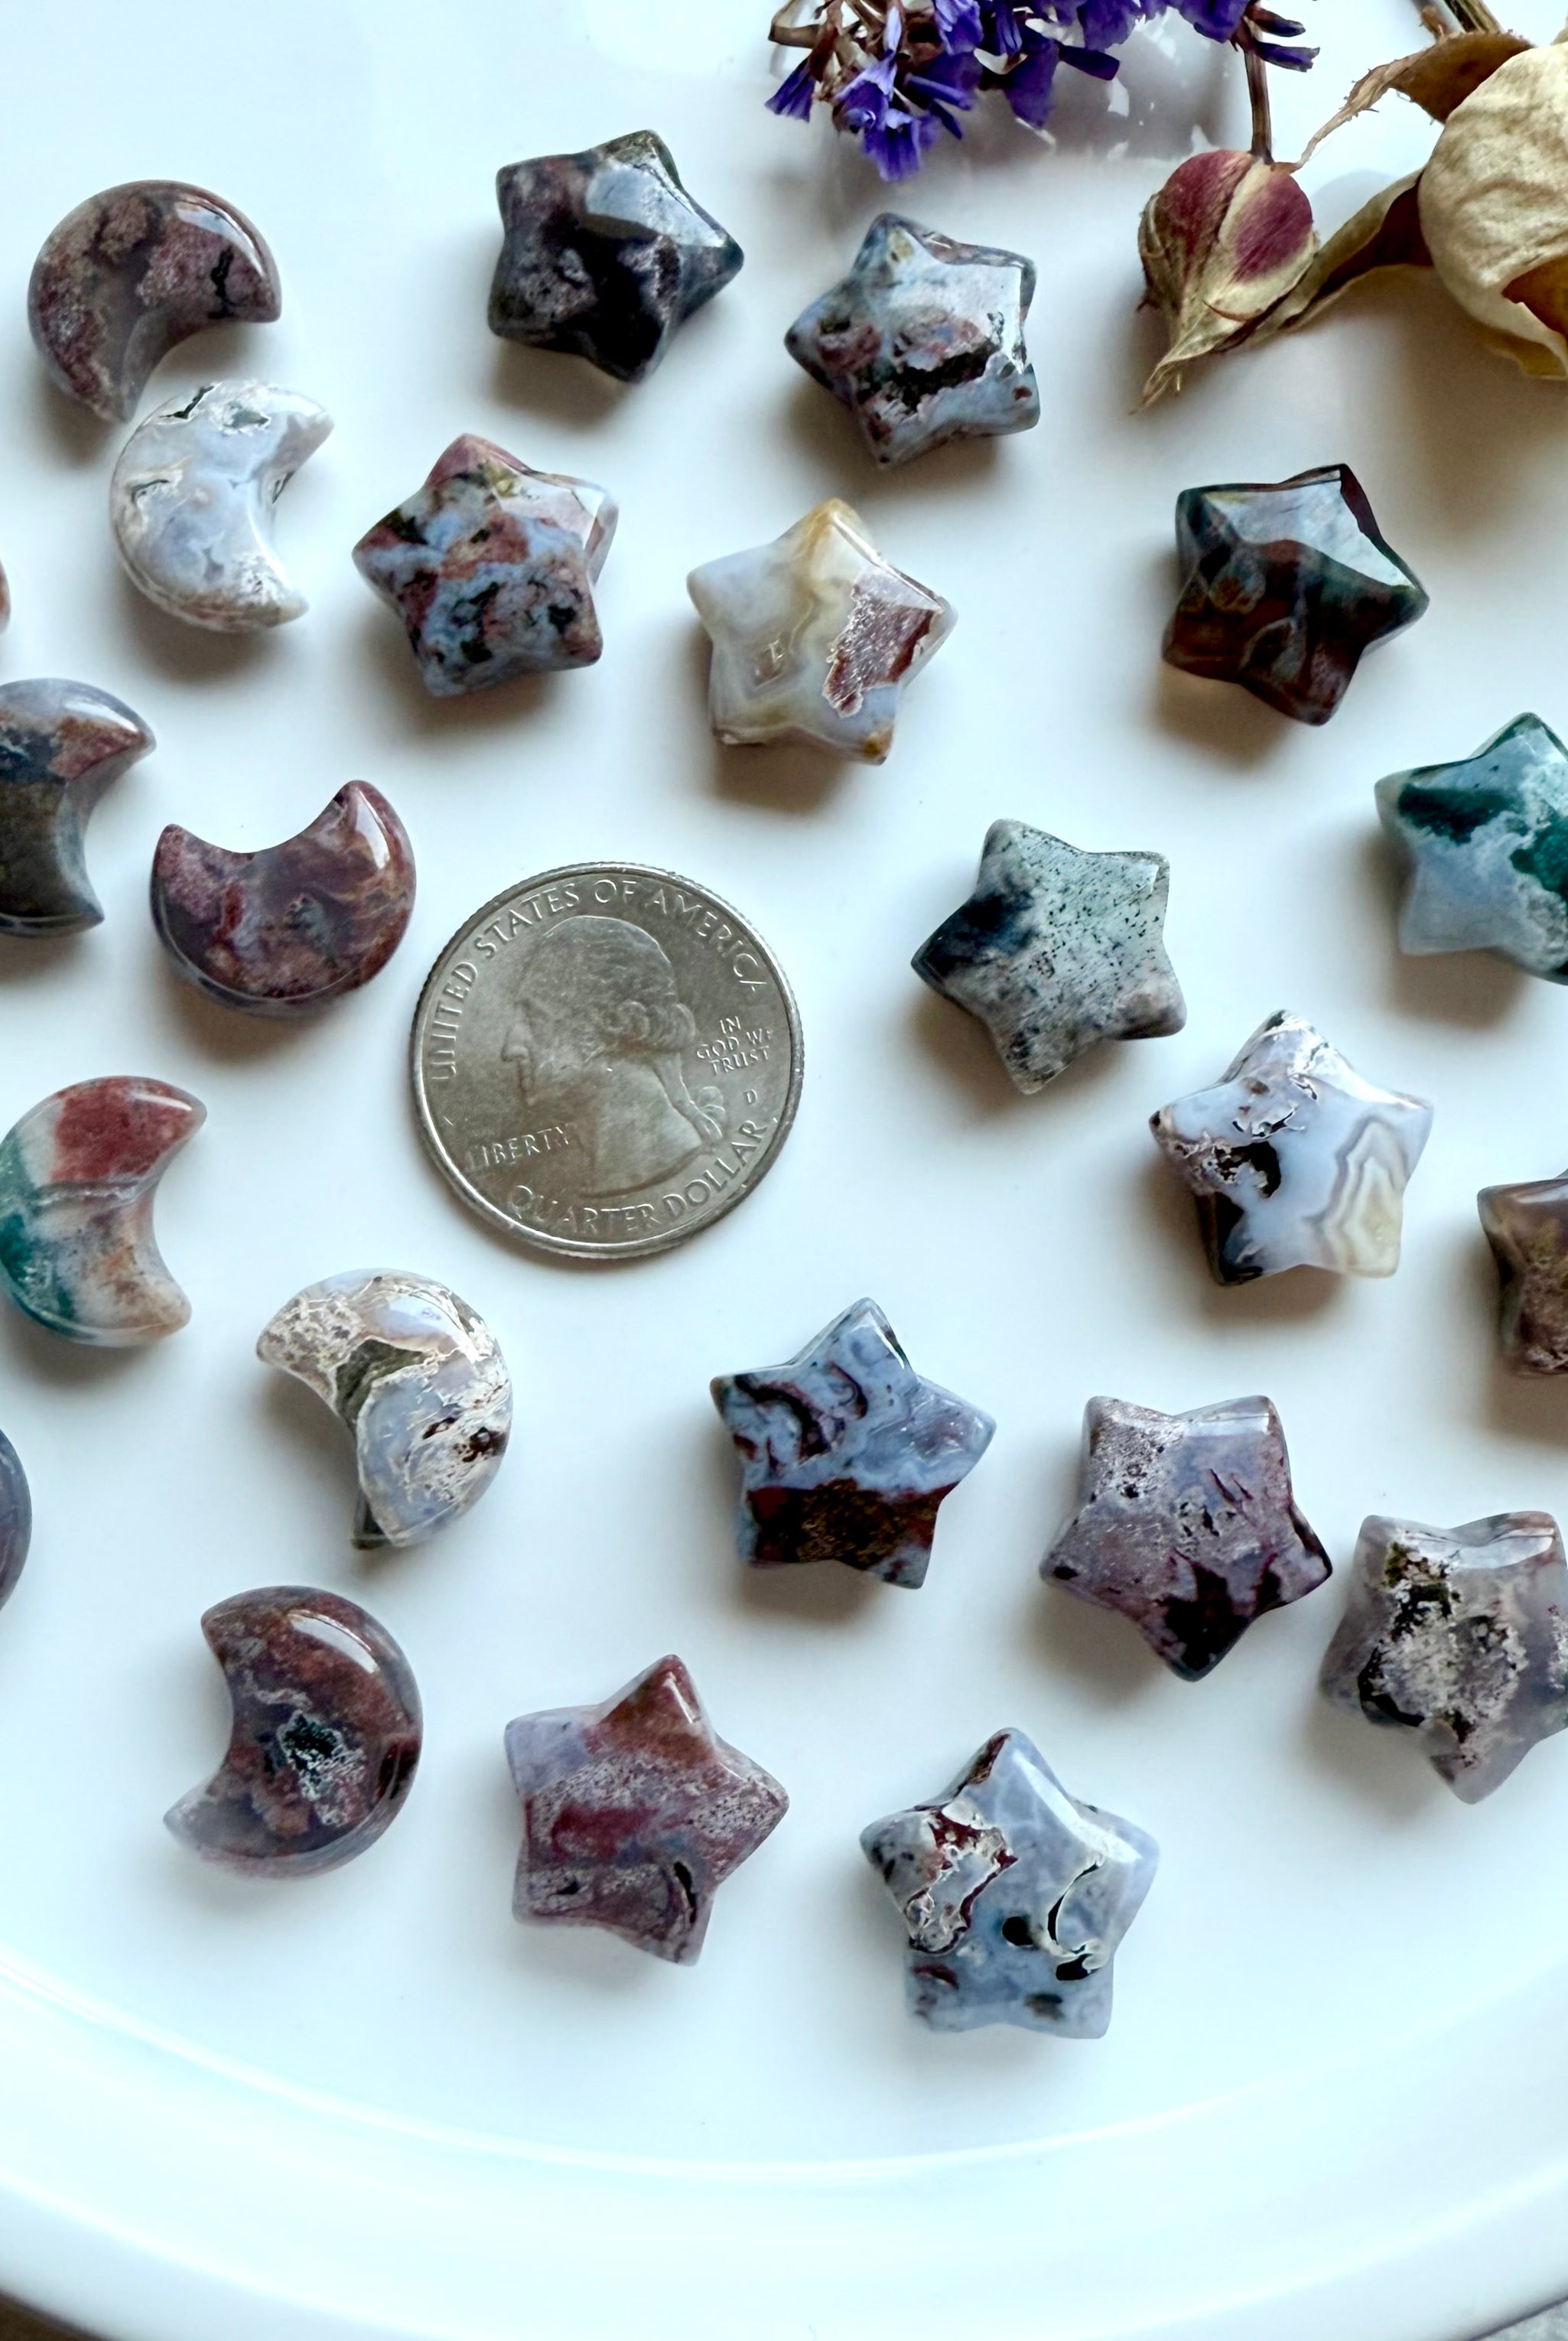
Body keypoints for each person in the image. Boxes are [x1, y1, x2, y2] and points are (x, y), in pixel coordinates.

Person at [501, 916, 725, 1195]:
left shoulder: (658, 1163)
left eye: (535, 1019)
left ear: (619, 1022)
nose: (510, 1049)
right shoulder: (610, 1170)